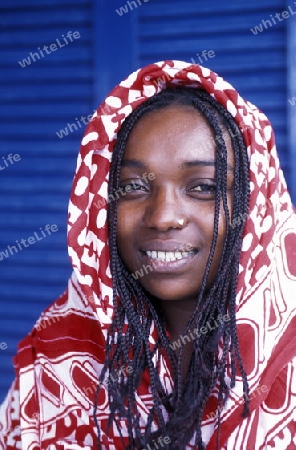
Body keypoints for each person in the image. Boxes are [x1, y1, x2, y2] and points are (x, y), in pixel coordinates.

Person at [0, 60, 296, 450]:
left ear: (255, 205)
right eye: (134, 187)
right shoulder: (55, 353)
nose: (163, 217)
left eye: (203, 187)